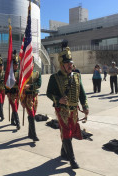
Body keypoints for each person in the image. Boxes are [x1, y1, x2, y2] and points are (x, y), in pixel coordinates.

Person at [46, 40, 89, 169]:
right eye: (67, 63)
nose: (70, 66)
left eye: (71, 63)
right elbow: (49, 93)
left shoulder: (77, 76)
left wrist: (85, 106)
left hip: (74, 110)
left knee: (70, 132)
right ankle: (72, 160)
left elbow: (81, 92)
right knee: (66, 132)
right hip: (62, 110)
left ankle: (64, 153)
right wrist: (58, 99)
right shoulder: (54, 78)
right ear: (61, 65)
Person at [22, 58, 41, 141]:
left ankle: (30, 133)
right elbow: (21, 88)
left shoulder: (37, 73)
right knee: (32, 115)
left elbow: (39, 84)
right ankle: (34, 135)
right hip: (28, 97)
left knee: (32, 115)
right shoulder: (24, 75)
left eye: (31, 64)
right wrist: (22, 100)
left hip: (35, 97)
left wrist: (29, 86)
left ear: (33, 64)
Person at [6, 51, 20, 130]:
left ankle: (12, 120)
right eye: (15, 65)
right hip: (11, 93)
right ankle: (18, 123)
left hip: (17, 93)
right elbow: (6, 82)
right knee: (14, 107)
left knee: (16, 107)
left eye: (17, 65)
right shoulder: (9, 73)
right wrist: (7, 92)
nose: (16, 66)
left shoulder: (19, 73)